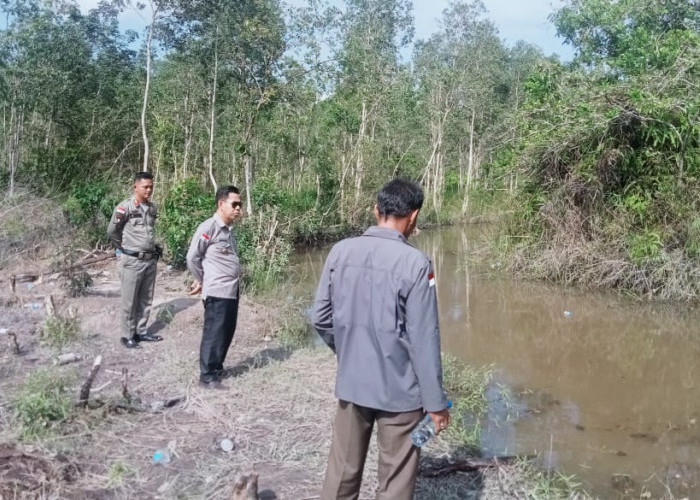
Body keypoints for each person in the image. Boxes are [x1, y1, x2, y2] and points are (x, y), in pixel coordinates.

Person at [310, 178, 450, 500]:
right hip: (401, 394)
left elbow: (320, 317)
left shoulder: (340, 251)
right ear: (413, 216)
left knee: (341, 472)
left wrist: (346, 349)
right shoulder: (417, 264)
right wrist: (436, 404)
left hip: (352, 384)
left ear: (376, 209)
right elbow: (424, 340)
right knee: (396, 477)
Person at [186, 186, 243, 389]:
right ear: (221, 204)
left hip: (231, 290)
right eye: (234, 204)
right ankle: (207, 376)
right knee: (214, 331)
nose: (238, 209)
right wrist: (201, 279)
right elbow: (192, 257)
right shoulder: (209, 227)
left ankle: (216, 368)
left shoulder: (228, 231)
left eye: (240, 205)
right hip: (217, 290)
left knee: (226, 330)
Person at [107, 171, 163, 349]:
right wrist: (124, 248)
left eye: (151, 187)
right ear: (136, 187)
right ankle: (127, 335)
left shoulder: (152, 208)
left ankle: (141, 332)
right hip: (132, 260)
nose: (149, 190)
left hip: (149, 260)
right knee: (129, 300)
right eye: (145, 187)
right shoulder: (126, 208)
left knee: (146, 299)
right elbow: (112, 231)